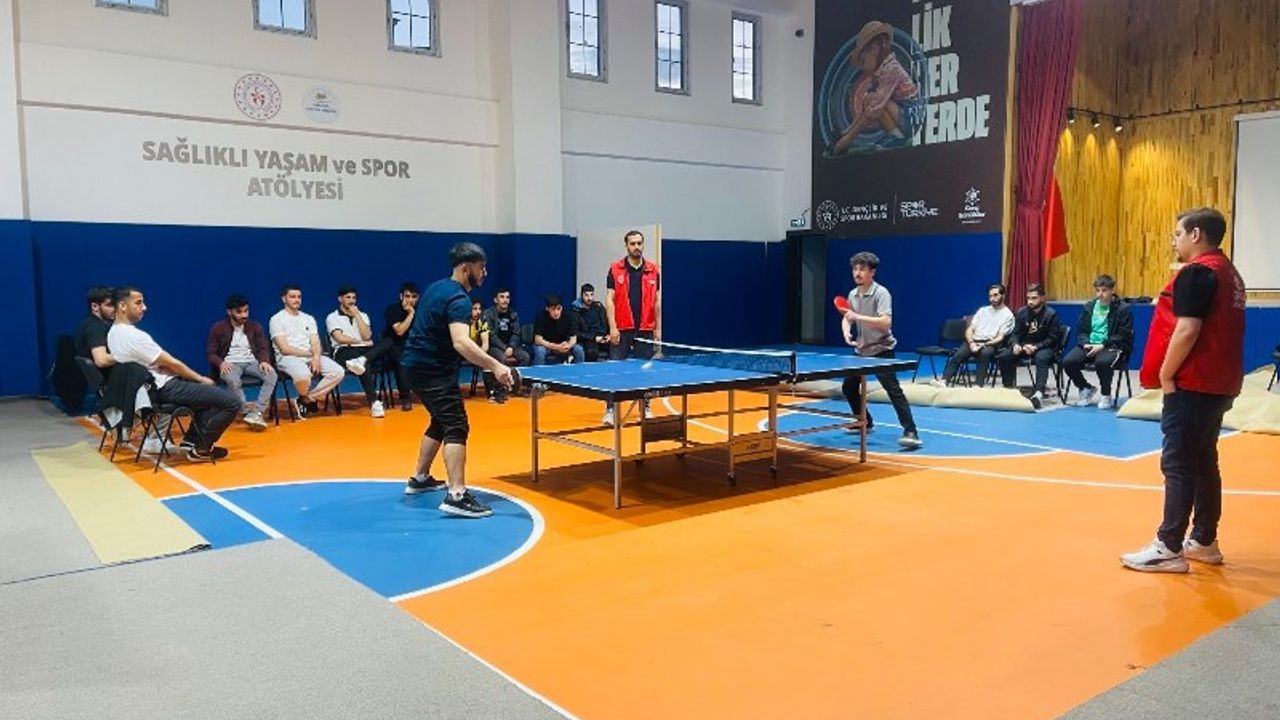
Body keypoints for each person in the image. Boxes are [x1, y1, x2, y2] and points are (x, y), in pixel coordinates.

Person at [1121, 207, 1245, 573]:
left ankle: (1169, 546)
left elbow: (1187, 330)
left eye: (1177, 233)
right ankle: (1204, 540)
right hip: (1219, 383)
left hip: (1194, 383)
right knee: (1203, 460)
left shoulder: (1198, 273)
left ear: (1195, 234)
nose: (1173, 240)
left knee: (1177, 463)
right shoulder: (1229, 273)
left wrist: (1165, 374)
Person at [401, 242, 513, 518]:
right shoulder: (460, 300)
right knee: (456, 425)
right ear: (466, 268)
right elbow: (461, 342)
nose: (484, 273)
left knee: (440, 421)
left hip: (414, 366)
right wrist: (496, 366)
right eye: (481, 267)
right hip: (431, 369)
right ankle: (457, 495)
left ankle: (420, 478)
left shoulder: (436, 287)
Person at [108, 286, 240, 462]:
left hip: (147, 390)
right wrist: (201, 379)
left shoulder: (112, 334)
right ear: (123, 306)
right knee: (232, 402)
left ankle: (190, 443)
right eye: (138, 303)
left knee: (207, 398)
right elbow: (172, 363)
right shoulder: (135, 336)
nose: (144, 307)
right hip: (164, 388)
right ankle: (201, 448)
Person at [839, 252, 923, 449]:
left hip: (882, 350)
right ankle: (865, 421)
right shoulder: (853, 294)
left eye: (862, 269)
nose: (857, 273)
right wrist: (846, 331)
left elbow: (886, 322)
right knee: (849, 387)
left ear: (872, 272)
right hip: (861, 351)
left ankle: (911, 431)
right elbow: (847, 317)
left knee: (893, 391)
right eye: (855, 269)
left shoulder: (881, 293)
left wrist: (857, 317)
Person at [829, 21, 920, 156]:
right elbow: (869, 106)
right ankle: (895, 135)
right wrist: (846, 132)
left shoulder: (891, 70)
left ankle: (897, 137)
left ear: (874, 50)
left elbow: (874, 109)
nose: (863, 67)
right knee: (870, 99)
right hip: (901, 114)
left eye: (864, 61)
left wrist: (845, 142)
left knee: (878, 104)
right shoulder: (880, 72)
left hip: (912, 117)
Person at [603, 230, 661, 426]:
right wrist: (612, 327)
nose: (637, 247)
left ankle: (645, 407)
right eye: (633, 243)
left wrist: (658, 328)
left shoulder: (653, 270)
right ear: (626, 246)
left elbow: (657, 301)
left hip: (645, 328)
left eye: (639, 243)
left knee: (645, 371)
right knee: (615, 370)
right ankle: (610, 410)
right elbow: (609, 300)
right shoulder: (615, 269)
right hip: (622, 328)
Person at [269, 284, 344, 420]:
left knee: (338, 371)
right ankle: (307, 398)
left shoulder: (308, 318)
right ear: (284, 299)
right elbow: (285, 348)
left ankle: (307, 399)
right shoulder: (276, 320)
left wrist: (316, 357)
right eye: (292, 297)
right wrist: (311, 355)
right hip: (287, 358)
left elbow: (315, 342)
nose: (297, 300)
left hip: (310, 355)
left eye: (299, 297)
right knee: (303, 375)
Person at [1061, 275, 1134, 410]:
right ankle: (1085, 388)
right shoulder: (1089, 307)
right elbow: (1081, 330)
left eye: (1104, 290)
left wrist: (1103, 345)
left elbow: (1123, 334)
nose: (1100, 294)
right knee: (1068, 361)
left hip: (1112, 345)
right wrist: (1085, 343)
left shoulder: (1123, 309)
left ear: (1112, 290)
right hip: (1090, 344)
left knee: (1102, 362)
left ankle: (1106, 395)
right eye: (1098, 291)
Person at [206, 294, 276, 431]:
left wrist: (264, 361)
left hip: (251, 362)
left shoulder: (255, 327)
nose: (244, 315)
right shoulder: (218, 328)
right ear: (229, 312)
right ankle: (246, 413)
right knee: (233, 381)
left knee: (271, 375)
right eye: (239, 312)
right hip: (230, 363)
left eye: (246, 311)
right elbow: (211, 353)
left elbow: (263, 348)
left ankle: (257, 412)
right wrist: (221, 363)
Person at [326, 284, 395, 418]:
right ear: (340, 299)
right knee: (364, 364)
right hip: (344, 351)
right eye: (348, 297)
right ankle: (374, 402)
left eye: (354, 298)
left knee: (388, 342)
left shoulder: (363, 315)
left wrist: (357, 315)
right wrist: (359, 342)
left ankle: (362, 359)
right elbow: (340, 338)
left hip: (364, 351)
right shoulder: (332, 317)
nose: (351, 300)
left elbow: (367, 335)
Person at [995, 283, 1062, 409]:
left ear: (1043, 298)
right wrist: (1015, 344)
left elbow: (1053, 339)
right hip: (1024, 346)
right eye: (1028, 298)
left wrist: (1036, 347)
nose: (1030, 301)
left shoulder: (1051, 314)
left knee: (1041, 358)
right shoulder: (1022, 312)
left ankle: (1038, 394)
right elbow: (1015, 333)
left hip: (1044, 347)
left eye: (1034, 298)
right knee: (1004, 356)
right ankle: (1009, 390)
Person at [937, 284, 1015, 388]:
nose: (992, 299)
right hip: (974, 341)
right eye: (990, 296)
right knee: (958, 355)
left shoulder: (1008, 315)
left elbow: (1000, 338)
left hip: (991, 344)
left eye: (995, 295)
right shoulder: (983, 311)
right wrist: (971, 343)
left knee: (985, 354)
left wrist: (984, 345)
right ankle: (944, 381)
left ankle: (978, 385)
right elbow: (970, 330)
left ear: (1003, 295)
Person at [383, 281, 421, 412]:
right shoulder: (392, 310)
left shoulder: (422, 311)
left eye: (414, 297)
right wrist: (411, 314)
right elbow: (400, 331)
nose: (410, 300)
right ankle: (405, 397)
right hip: (396, 347)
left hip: (416, 346)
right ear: (401, 297)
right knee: (402, 360)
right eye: (407, 296)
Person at [481, 288, 530, 369]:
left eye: (507, 297)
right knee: (503, 359)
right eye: (502, 297)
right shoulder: (488, 314)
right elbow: (491, 336)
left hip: (511, 346)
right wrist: (505, 348)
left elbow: (516, 333)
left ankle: (517, 376)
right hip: (495, 346)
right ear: (495, 300)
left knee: (526, 357)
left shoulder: (513, 314)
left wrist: (511, 346)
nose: (505, 300)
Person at [532, 294, 585, 366]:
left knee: (579, 350)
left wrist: (568, 345)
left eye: (558, 308)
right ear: (547, 309)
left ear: (562, 307)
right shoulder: (541, 317)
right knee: (540, 351)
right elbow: (538, 340)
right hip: (547, 345)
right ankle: (538, 372)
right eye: (553, 309)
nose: (556, 312)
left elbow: (573, 338)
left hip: (564, 344)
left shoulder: (569, 316)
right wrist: (556, 347)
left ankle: (580, 371)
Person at [75, 286, 116, 375]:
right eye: (109, 305)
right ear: (95, 306)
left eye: (115, 305)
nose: (115, 309)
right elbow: (101, 360)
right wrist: (130, 356)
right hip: (109, 380)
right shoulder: (95, 327)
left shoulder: (89, 323)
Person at [468, 299, 502, 403]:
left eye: (480, 309)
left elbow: (485, 344)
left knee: (488, 360)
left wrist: (481, 357)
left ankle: (491, 392)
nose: (478, 312)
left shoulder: (482, 321)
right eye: (474, 309)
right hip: (462, 351)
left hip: (477, 351)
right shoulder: (463, 322)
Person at [572, 283, 610, 362]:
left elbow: (607, 322)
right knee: (591, 352)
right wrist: (594, 338)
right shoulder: (575, 311)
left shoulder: (599, 307)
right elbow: (576, 333)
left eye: (591, 295)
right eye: (586, 295)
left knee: (617, 347)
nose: (589, 298)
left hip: (603, 337)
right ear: (581, 295)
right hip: (589, 339)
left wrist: (609, 335)